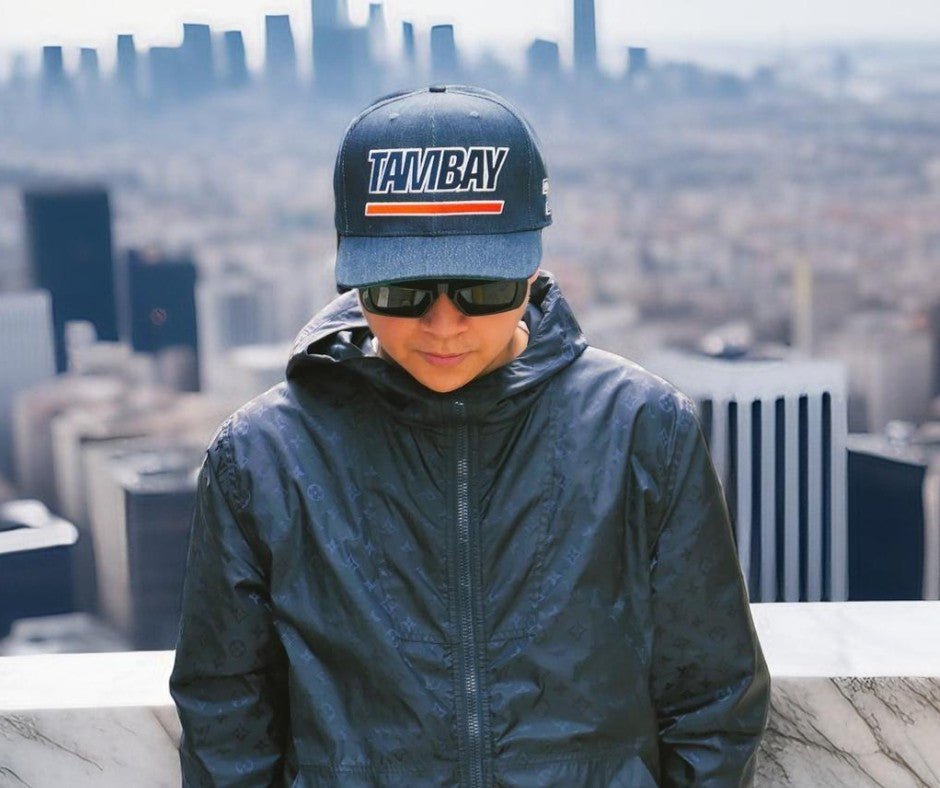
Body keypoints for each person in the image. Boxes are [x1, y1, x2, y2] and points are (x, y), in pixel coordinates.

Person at [170, 85, 770, 787]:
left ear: (531, 271)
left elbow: (713, 700)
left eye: (482, 289)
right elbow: (225, 717)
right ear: (354, 283)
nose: (444, 325)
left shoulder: (643, 429)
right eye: (402, 292)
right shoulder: (260, 458)